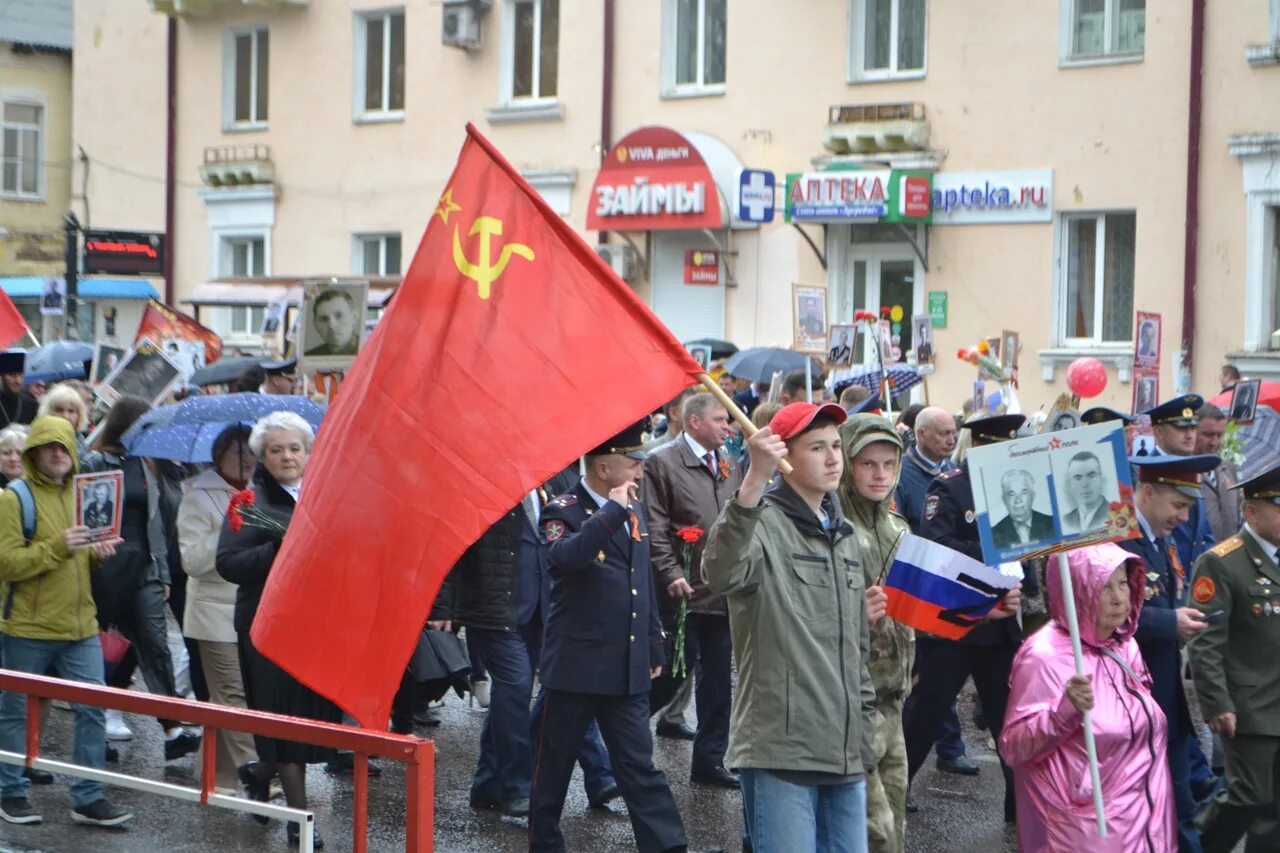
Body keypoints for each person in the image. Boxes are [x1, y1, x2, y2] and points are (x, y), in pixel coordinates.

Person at [703, 401, 879, 852]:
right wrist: (753, 480)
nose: (833, 457)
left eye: (836, 446)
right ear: (784, 457)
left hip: (845, 752)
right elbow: (719, 574)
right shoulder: (762, 520)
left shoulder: (843, 534)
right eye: (816, 447)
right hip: (783, 750)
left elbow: (854, 648)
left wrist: (864, 727)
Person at [528, 421, 691, 853]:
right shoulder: (562, 509)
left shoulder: (632, 508)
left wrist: (654, 642)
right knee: (554, 768)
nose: (640, 471)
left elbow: (642, 582)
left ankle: (667, 847)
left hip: (626, 666)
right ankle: (544, 844)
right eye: (632, 463)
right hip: (577, 668)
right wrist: (609, 513)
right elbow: (565, 559)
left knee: (640, 766)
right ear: (604, 468)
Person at [217, 411, 343, 849]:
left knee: (308, 718)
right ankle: (299, 820)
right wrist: (277, 549)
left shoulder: (327, 497)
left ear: (309, 453)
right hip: (267, 626)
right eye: (276, 450)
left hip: (319, 625)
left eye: (294, 448)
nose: (287, 456)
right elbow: (228, 564)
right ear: (261, 457)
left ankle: (257, 771)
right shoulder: (249, 504)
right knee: (284, 718)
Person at [0, 416, 132, 828]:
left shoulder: (81, 493)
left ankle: (88, 796)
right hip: (28, 627)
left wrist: (97, 552)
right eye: (49, 446)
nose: (59, 453)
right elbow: (6, 562)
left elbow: (80, 554)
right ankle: (10, 792)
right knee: (15, 711)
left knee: (93, 709)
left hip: (79, 626)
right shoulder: (12, 498)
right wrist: (57, 548)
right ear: (34, 452)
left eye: (65, 446)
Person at [1001, 543, 1176, 851]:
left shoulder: (1125, 645)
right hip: (1081, 833)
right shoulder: (1043, 656)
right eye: (1104, 586)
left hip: (1145, 825)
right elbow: (1014, 747)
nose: (1119, 598)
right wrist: (1062, 713)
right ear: (1079, 590)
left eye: (1123, 583)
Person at [904, 414, 1025, 825]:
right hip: (956, 625)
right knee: (926, 713)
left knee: (1008, 719)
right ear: (979, 449)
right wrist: (993, 549)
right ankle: (892, 792)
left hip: (1002, 626)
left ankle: (1020, 808)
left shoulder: (1014, 487)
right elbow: (937, 544)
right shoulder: (951, 487)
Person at [82, 397, 201, 759]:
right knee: (105, 650)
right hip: (107, 565)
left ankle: (172, 728)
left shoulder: (149, 465)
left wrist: (162, 572)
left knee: (155, 642)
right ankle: (95, 727)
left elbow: (158, 526)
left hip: (146, 565)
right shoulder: (96, 461)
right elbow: (88, 515)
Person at [644, 393, 743, 789]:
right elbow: (653, 523)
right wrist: (668, 572)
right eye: (720, 419)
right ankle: (621, 738)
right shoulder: (662, 462)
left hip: (720, 592)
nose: (727, 426)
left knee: (718, 685)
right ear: (694, 422)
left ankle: (709, 761)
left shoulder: (729, 464)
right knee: (668, 677)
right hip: (681, 591)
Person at [1122, 454, 1220, 853]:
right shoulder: (1122, 539)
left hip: (1165, 701)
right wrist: (1170, 623)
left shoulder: (1158, 541)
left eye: (1188, 508)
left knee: (1179, 807)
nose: (1183, 517)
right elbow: (1105, 616)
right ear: (1147, 492)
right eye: (1178, 505)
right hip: (1132, 702)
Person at [1188, 462, 1280, 853]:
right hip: (1251, 705)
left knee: (1274, 805)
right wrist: (1217, 702)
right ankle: (1197, 846)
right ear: (1251, 511)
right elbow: (1206, 641)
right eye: (1279, 506)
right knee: (1249, 796)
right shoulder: (1222, 562)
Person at [429, 505, 535, 817]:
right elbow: (451, 544)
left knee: (509, 697)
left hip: (535, 608)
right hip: (491, 610)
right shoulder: (486, 482)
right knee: (516, 688)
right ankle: (517, 786)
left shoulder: (553, 477)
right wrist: (442, 606)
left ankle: (488, 785)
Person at [837, 413, 912, 853]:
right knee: (873, 832)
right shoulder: (834, 529)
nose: (880, 474)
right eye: (867, 463)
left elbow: (915, 612)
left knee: (896, 825)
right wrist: (852, 612)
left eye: (888, 463)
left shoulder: (899, 528)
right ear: (847, 463)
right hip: (855, 701)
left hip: (894, 701)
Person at [892, 405, 975, 779]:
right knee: (927, 680)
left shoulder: (949, 472)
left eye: (953, 432)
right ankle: (905, 770)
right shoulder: (901, 475)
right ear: (920, 434)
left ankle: (950, 746)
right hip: (918, 580)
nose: (950, 438)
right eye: (942, 432)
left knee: (943, 676)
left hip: (951, 583)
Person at [176, 424, 259, 795]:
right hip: (214, 616)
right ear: (219, 454)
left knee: (237, 699)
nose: (248, 460)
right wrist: (231, 524)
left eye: (253, 452)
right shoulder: (198, 495)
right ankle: (258, 777)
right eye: (239, 452)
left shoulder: (261, 494)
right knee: (233, 696)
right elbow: (192, 561)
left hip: (254, 613)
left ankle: (215, 778)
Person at [1144, 395, 1216, 575]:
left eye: (1193, 427)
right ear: (1159, 432)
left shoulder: (1193, 470)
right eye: (1181, 428)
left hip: (1193, 581)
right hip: (1158, 575)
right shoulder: (1144, 473)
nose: (1190, 434)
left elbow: (1203, 533)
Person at [1196, 404, 1243, 544]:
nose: (1214, 442)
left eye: (1220, 435)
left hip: (1229, 556)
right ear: (1193, 431)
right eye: (1208, 435)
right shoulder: (1183, 471)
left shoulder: (1228, 469)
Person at [990, 468, 1056, 548]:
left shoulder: (1052, 524)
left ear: (1033, 495)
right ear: (1004, 499)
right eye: (1011, 494)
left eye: (1024, 492)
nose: (1018, 500)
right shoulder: (993, 534)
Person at [1059, 452, 1111, 535]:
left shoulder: (1117, 515)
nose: (1085, 484)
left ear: (1101, 479)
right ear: (1070, 485)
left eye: (1091, 475)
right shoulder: (1066, 520)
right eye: (1078, 478)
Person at [37, 383, 89, 458]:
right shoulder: (39, 439)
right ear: (49, 412)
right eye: (59, 410)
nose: (65, 416)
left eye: (71, 411)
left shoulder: (81, 443)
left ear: (79, 415)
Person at [305, 288, 360, 356]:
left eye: (338, 316)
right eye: (324, 319)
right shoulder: (310, 356)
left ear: (354, 317)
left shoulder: (370, 352)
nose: (331, 325)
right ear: (315, 324)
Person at [0, 351, 37, 428]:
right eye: (12, 375)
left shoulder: (31, 403)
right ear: (1, 376)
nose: (18, 381)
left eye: (20, 375)